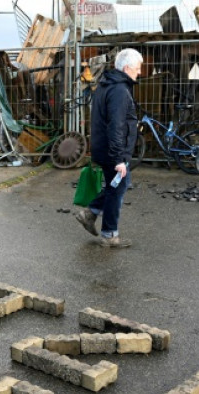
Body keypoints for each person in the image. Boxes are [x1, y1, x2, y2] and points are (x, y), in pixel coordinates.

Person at [73, 48, 141, 248]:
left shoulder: (107, 85)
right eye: (137, 68)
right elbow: (116, 126)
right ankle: (109, 233)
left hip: (104, 148)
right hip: (113, 152)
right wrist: (119, 158)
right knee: (117, 188)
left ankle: (91, 213)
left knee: (117, 186)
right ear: (127, 68)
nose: (139, 72)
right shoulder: (119, 90)